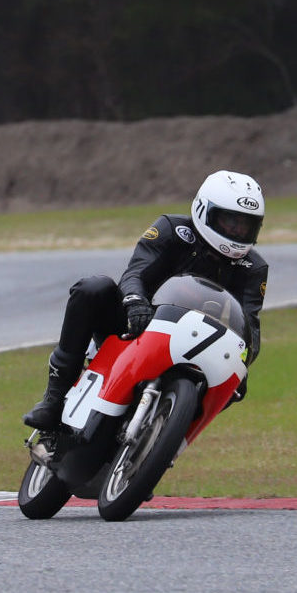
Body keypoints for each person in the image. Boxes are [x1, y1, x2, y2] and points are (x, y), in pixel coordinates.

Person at [22, 170, 269, 431]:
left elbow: (248, 324)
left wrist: (243, 361)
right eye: (230, 221)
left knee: (235, 385)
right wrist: (135, 302)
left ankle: (166, 436)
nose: (238, 231)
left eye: (246, 225)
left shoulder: (253, 268)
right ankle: (53, 398)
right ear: (203, 209)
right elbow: (135, 271)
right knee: (93, 288)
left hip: (199, 344)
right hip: (137, 322)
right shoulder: (172, 229)